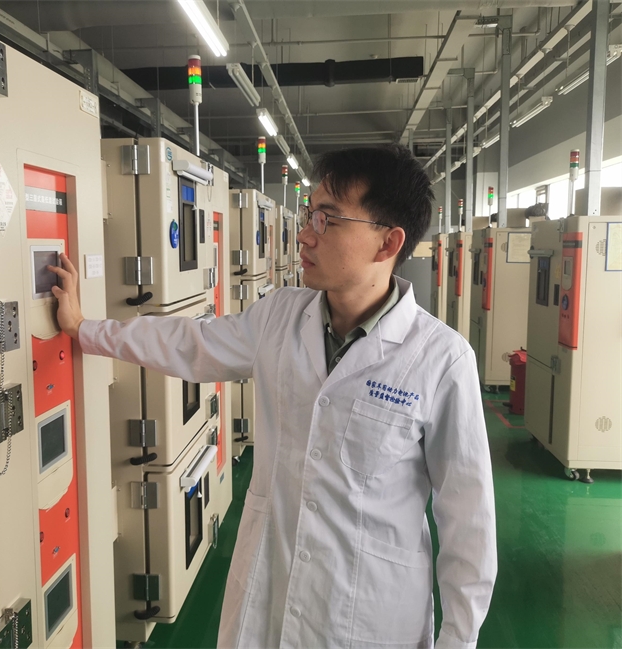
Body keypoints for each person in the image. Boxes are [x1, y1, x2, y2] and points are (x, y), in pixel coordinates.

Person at [51, 144, 497, 649]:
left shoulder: (441, 360)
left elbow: (468, 524)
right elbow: (189, 343)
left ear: (387, 242)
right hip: (268, 595)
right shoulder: (281, 316)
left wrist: (458, 641)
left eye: (327, 219)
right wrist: (85, 329)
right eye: (310, 215)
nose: (305, 234)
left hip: (369, 617)